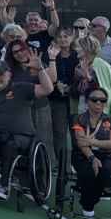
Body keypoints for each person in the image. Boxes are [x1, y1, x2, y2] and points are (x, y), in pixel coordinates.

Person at [0, 59, 54, 200]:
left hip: (22, 138)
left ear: (9, 75)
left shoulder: (21, 88)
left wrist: (40, 69)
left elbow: (47, 89)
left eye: (1, 74)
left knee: (10, 143)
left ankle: (4, 185)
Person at [5, 41, 58, 167]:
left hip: (40, 108)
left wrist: (47, 62)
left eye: (21, 50)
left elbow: (52, 80)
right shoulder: (10, 69)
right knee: (25, 141)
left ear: (27, 49)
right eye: (15, 52)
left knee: (44, 139)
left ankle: (47, 169)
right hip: (21, 111)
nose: (19, 54)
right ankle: (26, 170)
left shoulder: (37, 62)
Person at [71, 87, 111, 217]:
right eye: (94, 100)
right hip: (83, 155)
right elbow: (81, 142)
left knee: (106, 172)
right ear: (87, 101)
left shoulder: (110, 120)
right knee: (88, 173)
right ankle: (88, 203)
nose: (98, 103)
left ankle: (89, 200)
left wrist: (92, 141)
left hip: (106, 156)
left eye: (102, 100)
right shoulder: (79, 119)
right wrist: (92, 158)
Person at [48, 28, 79, 160]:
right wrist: (57, 85)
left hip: (75, 100)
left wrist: (70, 88)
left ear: (72, 38)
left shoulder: (78, 56)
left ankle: (78, 163)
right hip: (57, 100)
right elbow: (47, 75)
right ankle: (62, 164)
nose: (63, 39)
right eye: (60, 37)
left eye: (66, 36)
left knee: (77, 132)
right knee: (59, 133)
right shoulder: (51, 55)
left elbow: (82, 78)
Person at [72, 35, 111, 119]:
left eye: (79, 47)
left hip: (98, 110)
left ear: (87, 49)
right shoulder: (78, 67)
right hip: (82, 108)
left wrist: (88, 78)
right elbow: (76, 92)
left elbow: (103, 91)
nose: (76, 49)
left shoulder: (102, 66)